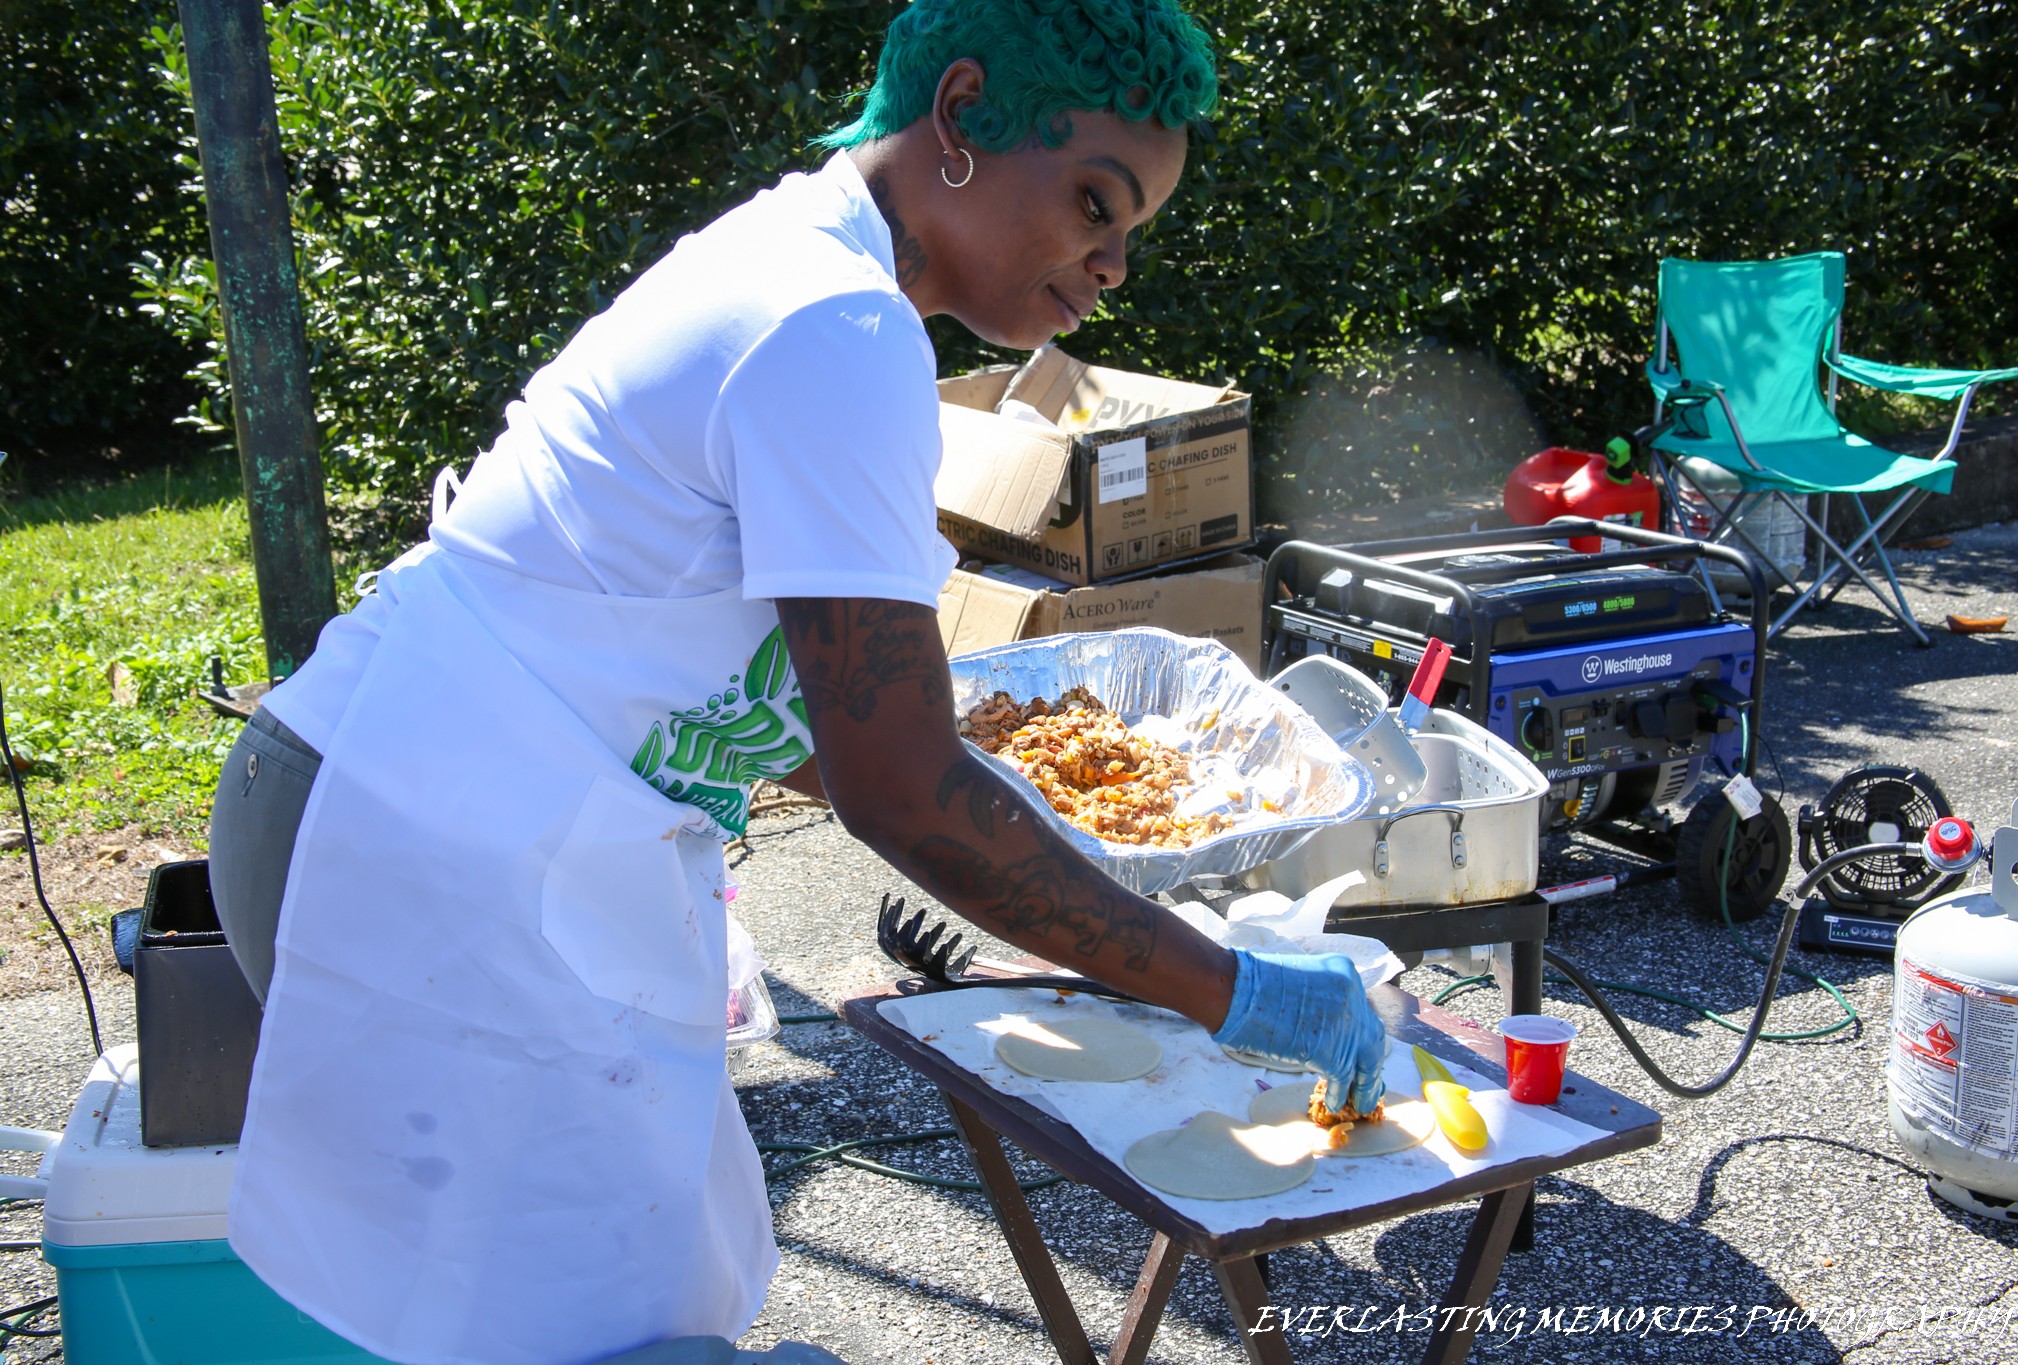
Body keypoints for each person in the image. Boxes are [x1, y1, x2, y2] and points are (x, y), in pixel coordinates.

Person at [207, 2, 1387, 1362]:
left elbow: (826, 726)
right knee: (592, 1327)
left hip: (396, 797)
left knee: (600, 1314)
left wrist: (1056, 885)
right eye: (1093, 203)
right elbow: (901, 789)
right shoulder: (835, 326)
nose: (1113, 264)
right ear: (963, 114)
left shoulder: (809, 266)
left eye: (1132, 230)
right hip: (413, 841)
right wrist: (1228, 988)